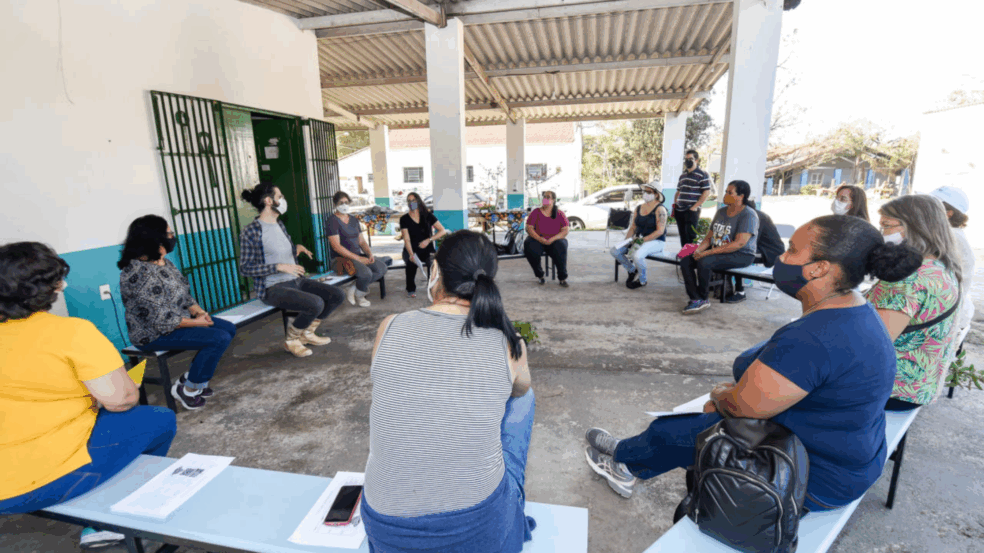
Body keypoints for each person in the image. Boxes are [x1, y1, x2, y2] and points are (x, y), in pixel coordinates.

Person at [583, 216, 922, 515]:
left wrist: (722, 397)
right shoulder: (855, 309)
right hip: (843, 458)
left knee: (674, 430)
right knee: (696, 426)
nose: (781, 258)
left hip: (811, 476)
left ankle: (623, 462)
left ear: (819, 268)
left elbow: (744, 407)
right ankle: (631, 456)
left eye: (792, 251)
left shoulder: (816, 338)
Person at [361, 230, 535, 553]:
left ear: (435, 271)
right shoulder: (509, 343)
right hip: (480, 532)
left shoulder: (390, 326)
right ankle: (512, 507)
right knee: (524, 400)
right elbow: (521, 388)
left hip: (386, 531)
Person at [1, 242, 177, 550]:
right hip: (40, 483)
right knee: (157, 419)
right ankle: (108, 521)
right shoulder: (71, 332)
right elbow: (121, 399)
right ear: (50, 287)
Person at [119, 215, 238, 408]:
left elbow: (184, 294)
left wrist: (199, 312)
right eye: (169, 233)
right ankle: (189, 389)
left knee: (229, 328)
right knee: (218, 338)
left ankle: (193, 378)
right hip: (153, 334)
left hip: (178, 322)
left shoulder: (164, 262)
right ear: (155, 238)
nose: (172, 236)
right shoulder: (139, 273)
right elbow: (161, 321)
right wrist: (197, 323)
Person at [865, 195, 963, 409]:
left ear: (915, 227)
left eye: (886, 225)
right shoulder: (941, 267)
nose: (882, 233)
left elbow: (870, 343)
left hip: (889, 390)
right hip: (918, 388)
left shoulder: (906, 277)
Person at [239, 182, 345, 358]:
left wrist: (295, 249)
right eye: (280, 197)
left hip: (295, 280)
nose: (283, 200)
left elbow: (274, 252)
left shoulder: (279, 224)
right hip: (272, 288)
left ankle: (307, 333)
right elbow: (245, 268)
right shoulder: (251, 231)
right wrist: (278, 267)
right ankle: (291, 341)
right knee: (316, 303)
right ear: (268, 201)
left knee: (337, 295)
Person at [679, 180, 760, 314]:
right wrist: (698, 250)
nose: (725, 195)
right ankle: (695, 298)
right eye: (726, 192)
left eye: (729, 192)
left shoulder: (748, 215)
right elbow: (709, 237)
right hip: (720, 252)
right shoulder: (721, 212)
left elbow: (739, 243)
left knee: (705, 262)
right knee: (686, 261)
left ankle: (703, 298)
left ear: (741, 196)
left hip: (741, 254)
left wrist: (706, 253)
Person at [328, 191, 389, 307]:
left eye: (346, 202)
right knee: (366, 273)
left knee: (381, 268)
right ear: (335, 204)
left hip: (357, 256)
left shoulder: (353, 220)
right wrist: (358, 259)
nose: (344, 205)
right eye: (341, 203)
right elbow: (336, 246)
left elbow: (361, 241)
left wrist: (369, 254)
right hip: (340, 260)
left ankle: (354, 287)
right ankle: (360, 296)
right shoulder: (332, 221)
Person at [928, 186, 975, 333]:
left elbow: (961, 280)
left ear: (948, 213)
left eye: (932, 205)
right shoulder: (945, 234)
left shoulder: (952, 237)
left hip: (947, 315)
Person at [609, 183, 668, 289]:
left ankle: (642, 280)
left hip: (656, 241)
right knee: (615, 250)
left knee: (637, 256)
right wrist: (626, 241)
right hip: (639, 239)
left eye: (649, 192)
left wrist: (642, 240)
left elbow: (660, 231)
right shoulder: (639, 208)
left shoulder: (660, 209)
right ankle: (632, 270)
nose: (645, 194)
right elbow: (633, 227)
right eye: (645, 191)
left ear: (656, 194)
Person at [399, 192, 448, 298]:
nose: (411, 203)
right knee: (411, 263)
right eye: (409, 201)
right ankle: (411, 289)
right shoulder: (404, 219)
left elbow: (442, 231)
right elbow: (406, 239)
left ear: (418, 201)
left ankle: (432, 287)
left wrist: (429, 240)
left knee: (432, 263)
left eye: (413, 200)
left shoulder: (427, 215)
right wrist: (411, 254)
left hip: (427, 249)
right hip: (411, 249)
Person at [523, 191, 570, 287]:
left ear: (553, 200)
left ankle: (562, 278)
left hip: (555, 240)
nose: (545, 199)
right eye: (544, 197)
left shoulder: (560, 213)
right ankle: (540, 275)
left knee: (561, 245)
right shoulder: (536, 212)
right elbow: (529, 228)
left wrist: (552, 239)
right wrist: (540, 239)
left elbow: (565, 230)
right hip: (538, 240)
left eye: (548, 197)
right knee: (529, 244)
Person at [672, 149, 712, 247]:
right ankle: (684, 253)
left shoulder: (702, 174)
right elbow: (678, 191)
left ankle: (691, 255)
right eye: (686, 159)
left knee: (690, 236)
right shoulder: (682, 176)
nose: (687, 161)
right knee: (682, 235)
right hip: (679, 210)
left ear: (696, 160)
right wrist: (675, 204)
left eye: (690, 159)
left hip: (691, 210)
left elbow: (706, 192)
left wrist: (694, 207)